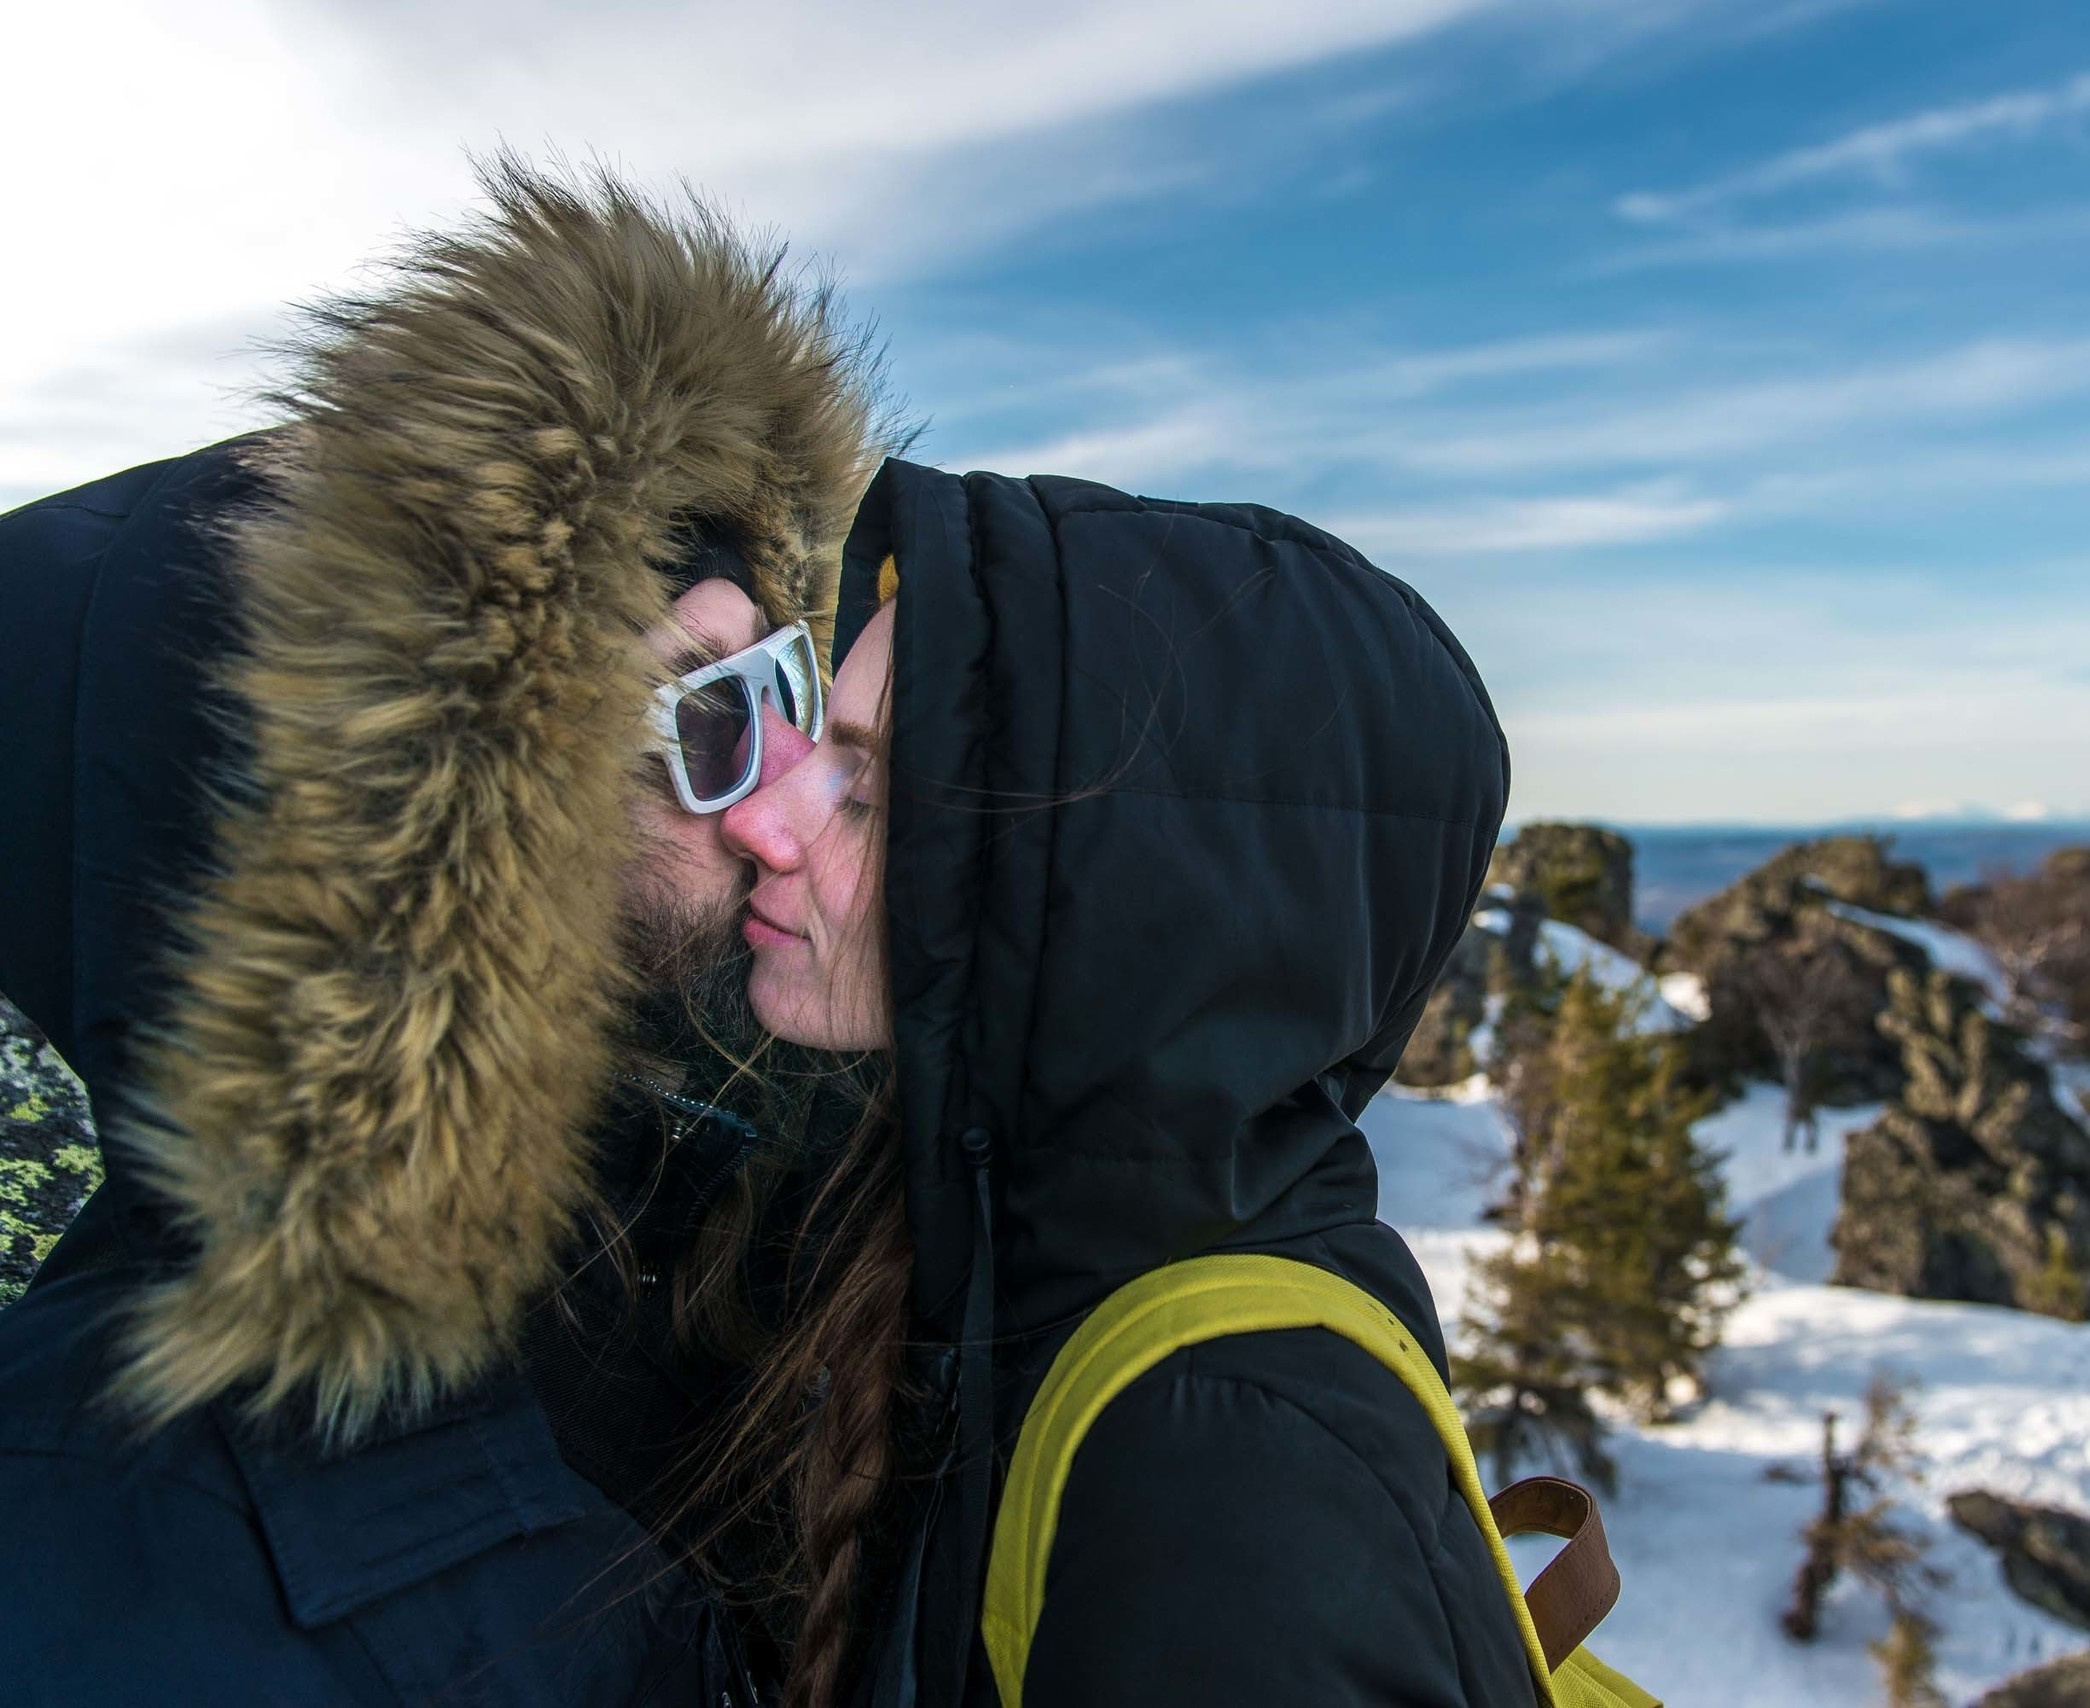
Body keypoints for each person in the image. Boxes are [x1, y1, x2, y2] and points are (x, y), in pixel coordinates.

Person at [0, 160, 887, 1705]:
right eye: (700, 719)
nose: (779, 806)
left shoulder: (708, 1238)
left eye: (781, 691)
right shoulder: (109, 1568)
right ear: (402, 845)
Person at [708, 458, 1535, 1707]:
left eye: (870, 793)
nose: (763, 824)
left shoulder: (1228, 1486)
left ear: (1115, 910)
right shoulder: (1023, 1262)